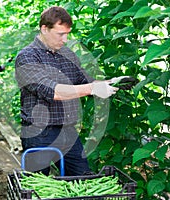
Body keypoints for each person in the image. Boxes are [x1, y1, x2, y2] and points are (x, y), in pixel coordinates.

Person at [15, 6, 119, 176]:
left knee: (82, 179)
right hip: (40, 133)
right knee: (38, 186)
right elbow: (53, 91)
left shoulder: (67, 54)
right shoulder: (28, 57)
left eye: (67, 34)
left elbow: (85, 81)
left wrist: (114, 82)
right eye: (60, 34)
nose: (65, 39)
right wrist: (93, 89)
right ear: (44, 29)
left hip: (68, 131)